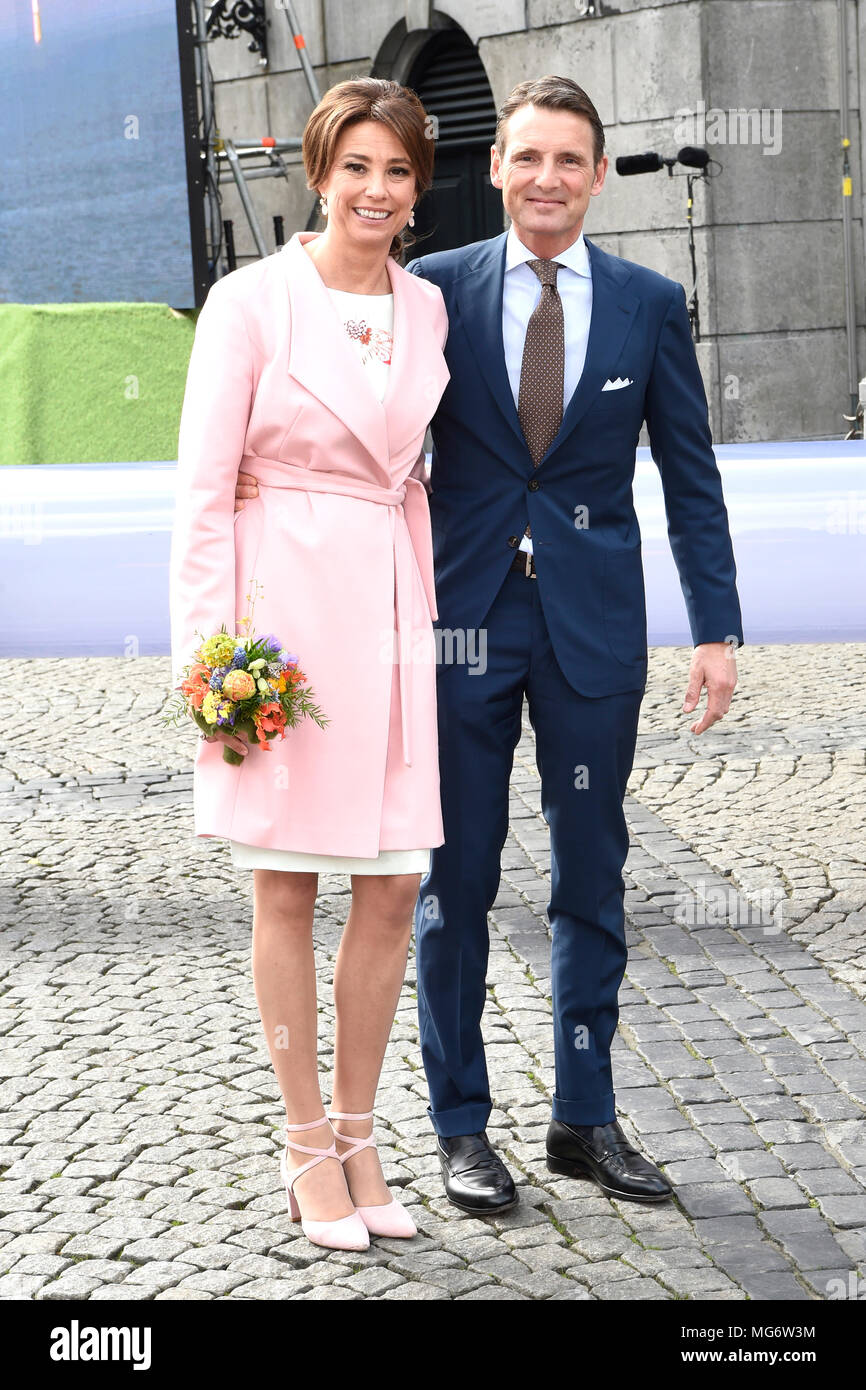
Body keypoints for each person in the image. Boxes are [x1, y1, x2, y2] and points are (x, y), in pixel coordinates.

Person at [235, 75, 743, 1217]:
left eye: (569, 159)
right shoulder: (432, 296)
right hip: (454, 625)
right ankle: (458, 1126)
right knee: (449, 882)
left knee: (591, 876)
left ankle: (582, 1115)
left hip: (591, 630)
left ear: (598, 175)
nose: (545, 179)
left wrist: (713, 625)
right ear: (497, 167)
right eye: (525, 158)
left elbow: (690, 480)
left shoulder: (649, 304)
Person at [170, 77, 450, 1251]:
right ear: (318, 174)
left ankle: (360, 1127)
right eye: (357, 168)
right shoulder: (248, 302)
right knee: (284, 886)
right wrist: (214, 669)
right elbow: (198, 496)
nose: (375, 191)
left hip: (390, 608)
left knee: (393, 884)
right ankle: (302, 1145)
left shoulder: (426, 307)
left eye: (396, 172)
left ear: (416, 189)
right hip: (279, 631)